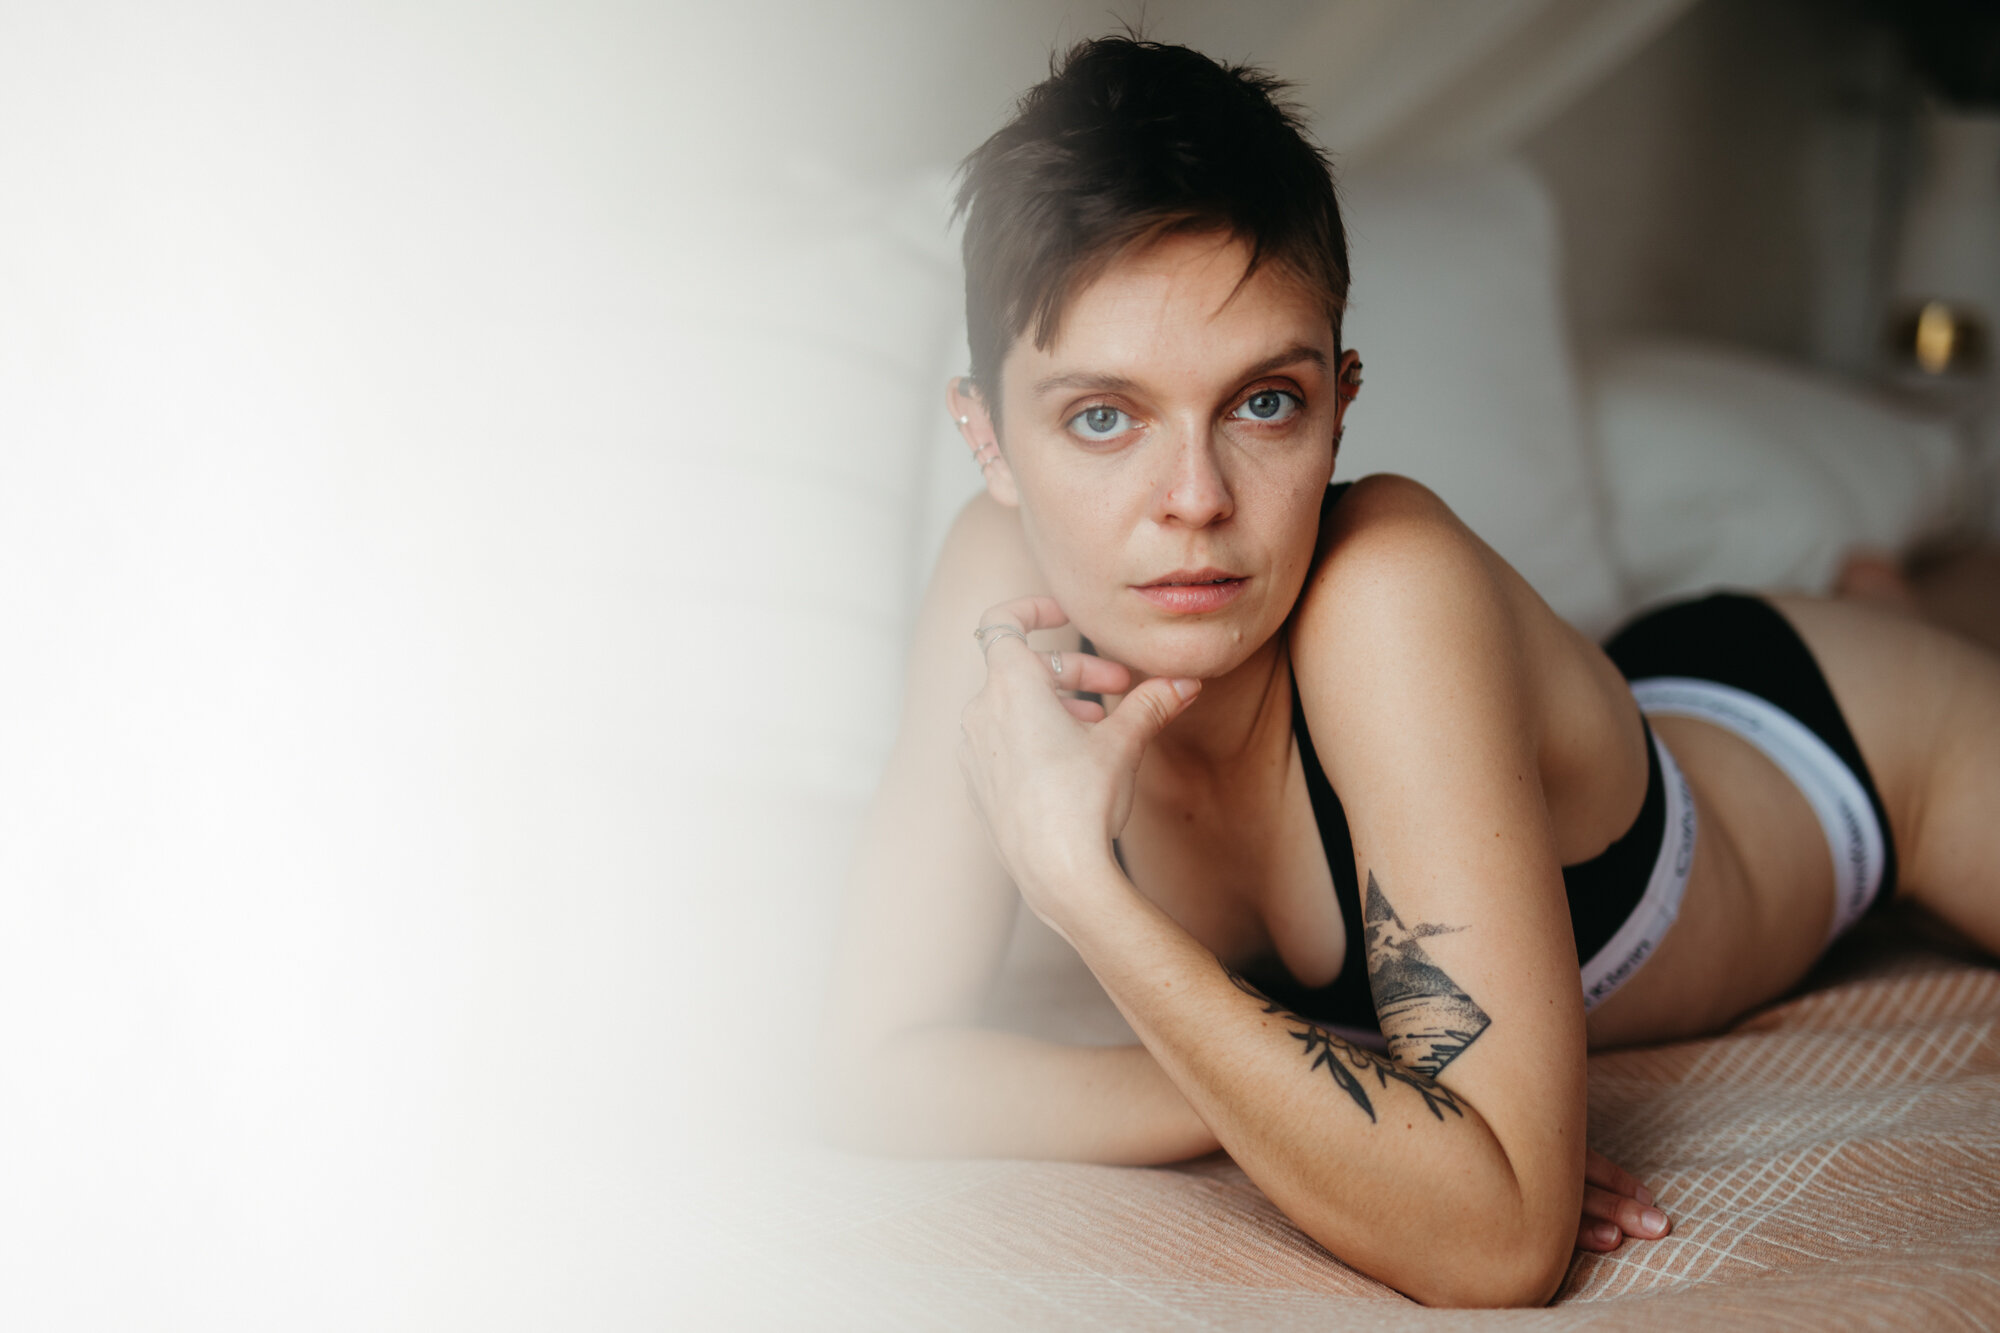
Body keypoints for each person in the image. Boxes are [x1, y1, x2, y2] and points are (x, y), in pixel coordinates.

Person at [817, 37, 2000, 1308]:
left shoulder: (1385, 585)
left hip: (1839, 744)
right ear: (986, 437)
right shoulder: (1000, 577)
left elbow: (1496, 1239)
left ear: (1339, 399)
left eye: (1262, 402)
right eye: (1101, 417)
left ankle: (1883, 601)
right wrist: (1306, 1101)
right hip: (1595, 707)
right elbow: (869, 1070)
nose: (1194, 502)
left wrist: (1079, 891)